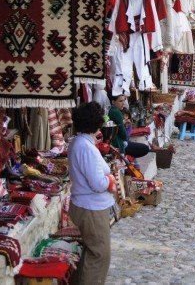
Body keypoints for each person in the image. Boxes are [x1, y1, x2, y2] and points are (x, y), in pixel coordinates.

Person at [69, 101, 116, 285]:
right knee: (100, 254)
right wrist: (110, 180)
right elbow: (97, 183)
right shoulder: (85, 147)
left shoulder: (80, 143)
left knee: (92, 252)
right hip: (91, 208)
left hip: (87, 205)